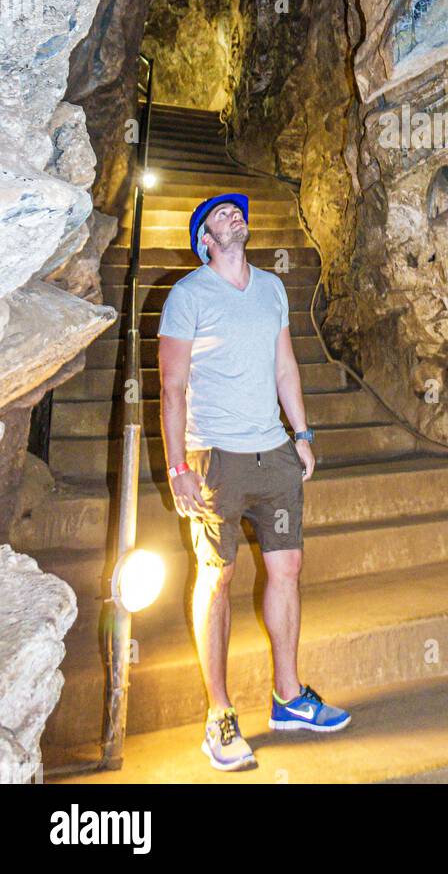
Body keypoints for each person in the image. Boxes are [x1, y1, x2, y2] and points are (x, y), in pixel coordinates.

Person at [158, 191, 351, 771]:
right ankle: (218, 713)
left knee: (287, 568)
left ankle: (288, 697)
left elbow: (284, 365)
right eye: (220, 214)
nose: (233, 215)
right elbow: (171, 387)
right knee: (217, 579)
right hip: (217, 458)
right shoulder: (187, 295)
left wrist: (303, 433)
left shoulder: (271, 288)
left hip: (275, 456)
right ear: (204, 241)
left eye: (236, 210)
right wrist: (177, 468)